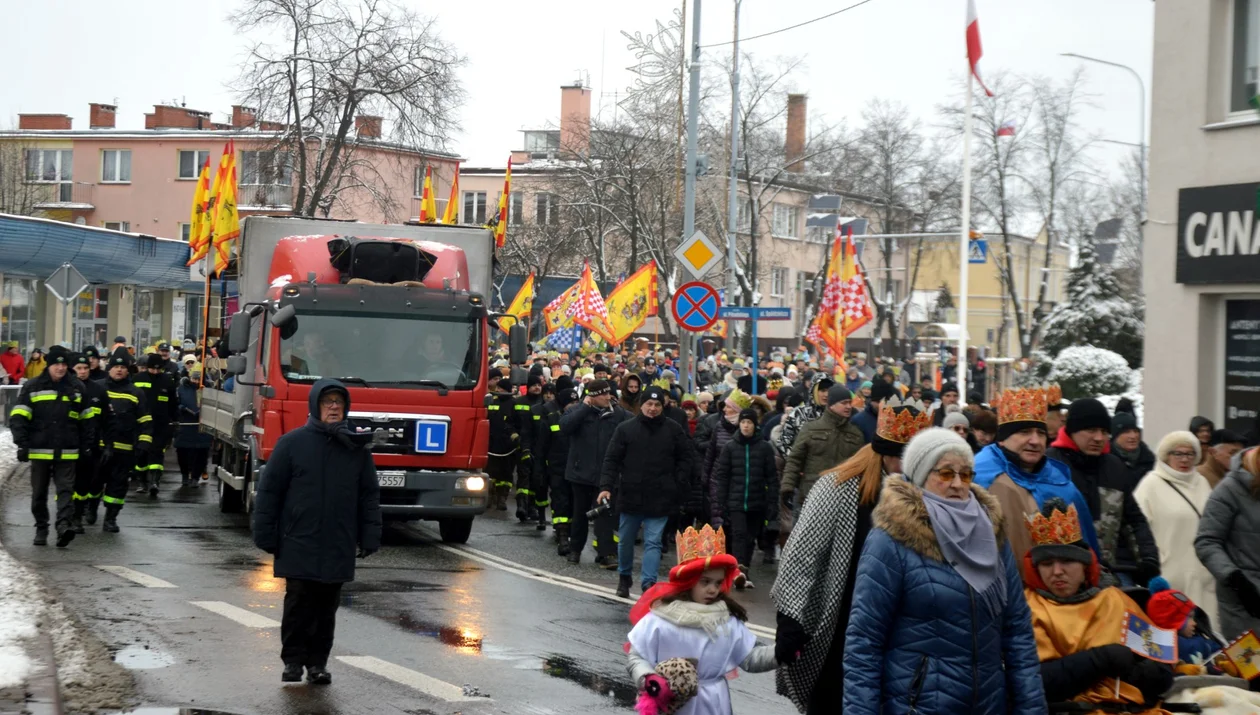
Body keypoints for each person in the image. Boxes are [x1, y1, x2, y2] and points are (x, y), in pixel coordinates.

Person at [843, 428, 1044, 715]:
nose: (958, 484)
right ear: (922, 476)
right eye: (946, 473)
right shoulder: (891, 541)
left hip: (988, 704)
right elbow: (864, 642)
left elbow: (1018, 632)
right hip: (918, 706)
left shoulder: (991, 535)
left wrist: (1032, 708)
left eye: (966, 474)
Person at [772, 397, 932, 714]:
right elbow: (803, 555)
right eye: (900, 457)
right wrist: (790, 617)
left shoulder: (929, 496)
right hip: (844, 625)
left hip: (902, 629)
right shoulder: (839, 488)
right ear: (883, 453)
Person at [252, 379, 382, 685]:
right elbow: (270, 492)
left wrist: (370, 535)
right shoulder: (292, 443)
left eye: (339, 401)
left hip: (338, 540)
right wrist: (265, 533)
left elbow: (368, 495)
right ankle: (293, 661)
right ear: (315, 406)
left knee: (327, 607)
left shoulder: (356, 449)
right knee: (298, 601)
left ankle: (318, 664)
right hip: (299, 538)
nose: (334, 407)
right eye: (328, 402)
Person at [1022, 499, 1175, 712]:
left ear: (1085, 566)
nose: (1056, 571)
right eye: (1047, 564)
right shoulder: (1027, 609)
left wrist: (1140, 673)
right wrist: (1100, 660)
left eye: (1066, 561)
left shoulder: (1116, 601)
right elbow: (1031, 682)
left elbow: (1164, 669)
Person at [626, 524, 779, 715]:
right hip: (673, 705)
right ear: (689, 582)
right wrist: (648, 679)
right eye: (705, 582)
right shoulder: (661, 619)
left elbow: (749, 658)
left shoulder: (725, 621)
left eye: (717, 582)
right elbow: (636, 657)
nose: (713, 589)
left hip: (714, 705)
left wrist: (781, 651)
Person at [975, 386, 1101, 564]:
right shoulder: (979, 476)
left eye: (1040, 433)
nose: (1035, 441)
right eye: (1024, 432)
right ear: (1002, 439)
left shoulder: (1061, 483)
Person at [1046, 398, 1160, 586]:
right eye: (1091, 430)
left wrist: (1148, 560)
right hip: (1062, 577)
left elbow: (1133, 519)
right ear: (1072, 431)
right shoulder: (1050, 465)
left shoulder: (1114, 467)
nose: (1099, 438)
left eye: (1104, 432)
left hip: (1109, 574)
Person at [599, 386, 693, 597]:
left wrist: (678, 482)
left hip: (660, 496)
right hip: (631, 494)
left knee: (653, 542)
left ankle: (648, 584)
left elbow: (686, 458)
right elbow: (611, 459)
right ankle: (624, 577)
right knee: (625, 541)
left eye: (657, 404)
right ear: (641, 405)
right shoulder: (625, 429)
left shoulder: (673, 429)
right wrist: (605, 487)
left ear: (663, 406)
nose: (652, 408)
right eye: (648, 404)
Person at [1132, 431, 1219, 628]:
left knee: (1206, 633)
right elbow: (1137, 530)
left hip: (1203, 575)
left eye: (1189, 454)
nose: (1184, 459)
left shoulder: (1202, 483)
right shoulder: (1151, 484)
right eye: (1177, 453)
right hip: (1168, 574)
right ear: (1166, 456)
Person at [9, 346, 92, 548]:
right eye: (57, 364)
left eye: (64, 364)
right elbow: (19, 417)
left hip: (68, 450)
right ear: (49, 365)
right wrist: (22, 444)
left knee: (65, 491)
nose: (61, 368)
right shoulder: (33, 386)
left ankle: (63, 526)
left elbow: (87, 421)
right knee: (39, 494)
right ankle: (41, 527)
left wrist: (87, 447)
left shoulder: (77, 387)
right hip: (40, 450)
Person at [560, 379, 631, 566]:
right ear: (592, 396)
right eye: (603, 394)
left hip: (606, 475)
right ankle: (575, 550)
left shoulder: (618, 414)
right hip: (580, 472)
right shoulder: (576, 411)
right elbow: (565, 426)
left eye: (609, 393)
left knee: (605, 515)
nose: (608, 397)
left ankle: (606, 553)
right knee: (580, 514)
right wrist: (584, 408)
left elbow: (634, 426)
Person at [1195, 446, 1260, 641]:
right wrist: (1236, 580)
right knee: (1250, 669)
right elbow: (1206, 541)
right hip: (1243, 600)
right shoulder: (1228, 490)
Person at [710, 408, 777, 590]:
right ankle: (738, 571)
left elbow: (771, 477)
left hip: (757, 501)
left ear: (755, 425)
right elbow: (722, 476)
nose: (746, 426)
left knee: (750, 538)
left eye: (749, 422)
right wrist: (721, 501)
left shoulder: (764, 448)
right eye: (743, 422)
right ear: (739, 424)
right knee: (738, 535)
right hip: (736, 500)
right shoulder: (730, 447)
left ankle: (744, 569)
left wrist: (772, 502)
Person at [780, 384, 863, 527]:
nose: (848, 406)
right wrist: (788, 486)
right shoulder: (811, 428)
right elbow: (795, 459)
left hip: (841, 501)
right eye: (844, 403)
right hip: (810, 496)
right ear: (831, 405)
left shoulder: (855, 434)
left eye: (850, 403)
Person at [90, 348, 152, 533]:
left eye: (123, 367)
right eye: (116, 366)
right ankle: (91, 508)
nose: (119, 370)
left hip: (124, 449)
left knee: (118, 486)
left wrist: (144, 443)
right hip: (98, 448)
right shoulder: (97, 388)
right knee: (94, 483)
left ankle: (111, 518)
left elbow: (145, 421)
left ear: (128, 370)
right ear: (109, 368)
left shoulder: (136, 393)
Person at [68, 352, 108, 534]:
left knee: (90, 482)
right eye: (79, 368)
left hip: (92, 445)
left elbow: (108, 418)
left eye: (85, 368)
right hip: (68, 444)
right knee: (67, 483)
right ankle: (70, 516)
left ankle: (87, 509)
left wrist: (107, 443)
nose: (83, 372)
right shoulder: (65, 388)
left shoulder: (98, 390)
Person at [537, 376, 578, 551]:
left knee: (574, 501)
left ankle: (569, 531)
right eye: (570, 403)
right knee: (560, 499)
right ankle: (562, 535)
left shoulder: (582, 419)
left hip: (577, 467)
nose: (573, 406)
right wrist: (540, 468)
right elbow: (541, 444)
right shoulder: (551, 416)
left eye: (576, 403)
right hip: (557, 466)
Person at [134, 353, 179, 497]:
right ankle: (142, 481)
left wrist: (175, 419)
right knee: (141, 453)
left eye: (158, 369)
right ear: (147, 368)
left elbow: (173, 403)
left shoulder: (167, 381)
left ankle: (155, 481)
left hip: (161, 424)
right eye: (152, 369)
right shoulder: (137, 379)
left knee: (157, 452)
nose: (155, 372)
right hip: (141, 424)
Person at [514, 373, 546, 523]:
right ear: (528, 386)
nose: (537, 387)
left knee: (536, 479)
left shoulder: (544, 404)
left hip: (539, 448)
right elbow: (510, 423)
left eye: (539, 385)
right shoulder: (519, 402)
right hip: (522, 445)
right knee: (523, 476)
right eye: (534, 385)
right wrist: (514, 436)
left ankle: (532, 507)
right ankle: (521, 506)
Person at [175, 367, 213, 488]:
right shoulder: (181, 389)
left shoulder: (208, 390)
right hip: (186, 424)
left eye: (198, 379)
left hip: (202, 425)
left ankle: (195, 477)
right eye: (194, 378)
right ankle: (185, 475)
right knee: (183, 452)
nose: (196, 381)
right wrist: (182, 408)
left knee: (201, 453)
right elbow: (175, 402)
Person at [485, 377, 520, 511]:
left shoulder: (513, 404)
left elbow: (517, 423)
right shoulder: (491, 401)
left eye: (501, 388)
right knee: (490, 472)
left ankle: (502, 498)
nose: (498, 390)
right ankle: (490, 496)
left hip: (507, 446)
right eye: (498, 387)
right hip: (492, 444)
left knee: (505, 473)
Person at [1112, 412, 1157, 486]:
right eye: (1126, 432)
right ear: (1115, 436)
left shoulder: (1150, 461)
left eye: (1135, 431)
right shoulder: (1106, 462)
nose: (1133, 436)